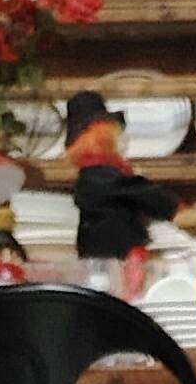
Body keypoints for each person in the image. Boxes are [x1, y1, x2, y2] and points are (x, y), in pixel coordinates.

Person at [60, 92, 179, 275]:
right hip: (114, 259)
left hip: (112, 256)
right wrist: (172, 206)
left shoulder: (100, 173)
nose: (123, 140)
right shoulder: (99, 175)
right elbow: (139, 191)